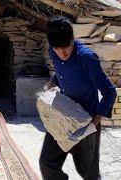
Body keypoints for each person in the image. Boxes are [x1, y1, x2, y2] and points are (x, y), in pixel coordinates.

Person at [40, 16, 117, 180]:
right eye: (57, 49)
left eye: (66, 47)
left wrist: (93, 124)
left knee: (89, 173)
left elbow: (110, 92)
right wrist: (53, 82)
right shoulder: (53, 52)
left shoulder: (87, 58)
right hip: (62, 116)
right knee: (47, 163)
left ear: (73, 39)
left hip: (86, 120)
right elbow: (61, 72)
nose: (63, 53)